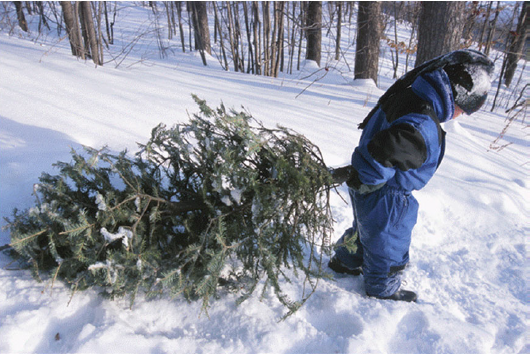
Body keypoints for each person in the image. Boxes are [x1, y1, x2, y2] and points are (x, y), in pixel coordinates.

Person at [329, 49, 495, 302]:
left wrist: (362, 178)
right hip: (387, 192)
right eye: (465, 108)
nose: (462, 114)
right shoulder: (421, 124)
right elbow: (384, 153)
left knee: (366, 228)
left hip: (370, 185)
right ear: (456, 92)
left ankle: (346, 262)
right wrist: (367, 175)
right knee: (388, 241)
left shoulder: (410, 94)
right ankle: (382, 288)